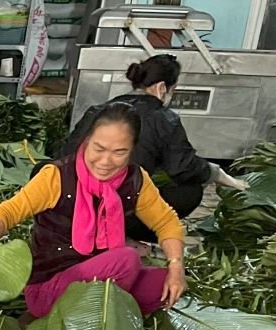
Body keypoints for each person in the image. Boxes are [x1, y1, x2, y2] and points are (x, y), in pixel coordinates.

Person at [0, 102, 187, 319]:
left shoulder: (136, 180)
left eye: (119, 152)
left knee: (164, 284)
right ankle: (90, 320)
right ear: (86, 140)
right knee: (127, 260)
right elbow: (8, 211)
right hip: (50, 287)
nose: (105, 161)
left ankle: (103, 312)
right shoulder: (56, 177)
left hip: (103, 275)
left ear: (132, 149)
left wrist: (177, 268)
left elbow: (166, 222)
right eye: (99, 148)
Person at [63, 53, 248, 242]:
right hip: (115, 207)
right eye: (172, 90)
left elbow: (64, 154)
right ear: (161, 87)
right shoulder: (162, 118)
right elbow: (184, 167)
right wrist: (217, 174)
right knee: (190, 191)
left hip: (71, 203)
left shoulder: (97, 110)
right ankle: (123, 235)